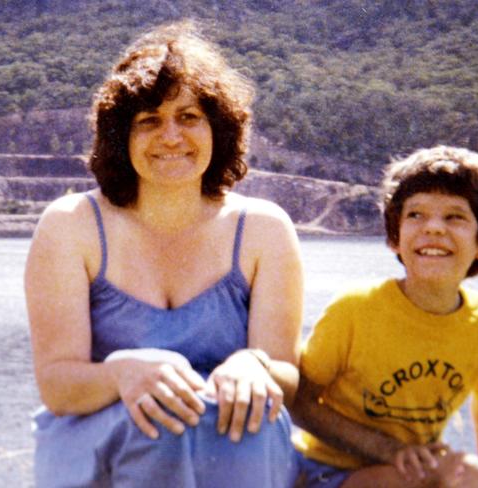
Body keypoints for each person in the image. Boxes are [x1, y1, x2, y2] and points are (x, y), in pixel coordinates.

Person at [25, 21, 303, 488]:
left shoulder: (264, 230)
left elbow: (286, 378)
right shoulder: (71, 225)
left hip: (226, 446)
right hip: (105, 447)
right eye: (149, 121)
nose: (171, 136)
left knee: (253, 422)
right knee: (157, 428)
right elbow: (58, 386)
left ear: (219, 129)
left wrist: (253, 363)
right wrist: (121, 373)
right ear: (121, 138)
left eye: (189, 117)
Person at [291, 146, 478, 487]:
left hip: (413, 468)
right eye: (416, 215)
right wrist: (388, 450)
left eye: (455, 216)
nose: (434, 228)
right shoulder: (356, 308)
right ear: (395, 238)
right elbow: (301, 401)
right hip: (329, 472)